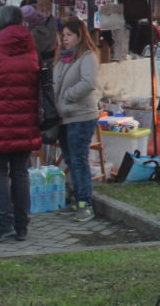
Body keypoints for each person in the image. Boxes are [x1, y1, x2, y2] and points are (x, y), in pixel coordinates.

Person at [0, 5, 40, 243]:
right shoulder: (31, 49)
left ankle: (4, 222)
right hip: (25, 120)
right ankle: (21, 224)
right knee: (20, 171)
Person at [54, 18, 100, 223]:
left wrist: (67, 97)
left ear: (79, 36)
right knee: (70, 159)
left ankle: (85, 203)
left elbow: (88, 83)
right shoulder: (63, 59)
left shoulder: (88, 57)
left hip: (81, 116)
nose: (65, 39)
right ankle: (76, 197)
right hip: (64, 116)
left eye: (69, 35)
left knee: (79, 159)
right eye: (63, 35)